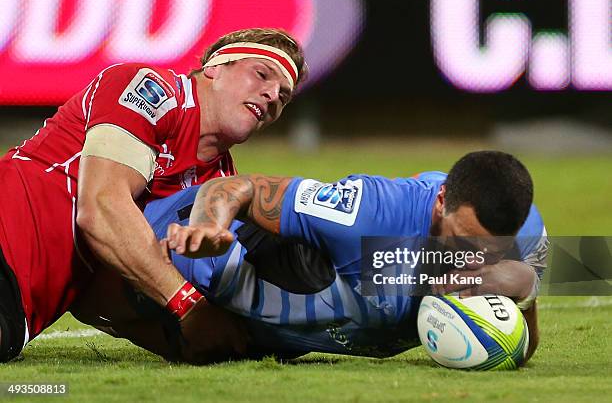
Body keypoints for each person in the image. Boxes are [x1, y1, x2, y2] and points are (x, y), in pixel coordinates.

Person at [0, 28, 307, 362]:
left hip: (22, 309)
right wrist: (188, 306)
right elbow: (101, 209)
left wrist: (192, 339)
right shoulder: (153, 91)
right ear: (215, 67)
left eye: (283, 96)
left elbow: (100, 295)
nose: (273, 95)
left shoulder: (216, 190)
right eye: (261, 74)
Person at [75, 151, 548, 364]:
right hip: (188, 256)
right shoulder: (370, 213)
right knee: (83, 294)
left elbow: (523, 342)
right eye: (458, 240)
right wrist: (210, 227)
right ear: (441, 201)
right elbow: (234, 187)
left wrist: (522, 292)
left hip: (268, 336)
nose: (464, 259)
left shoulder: (527, 236)